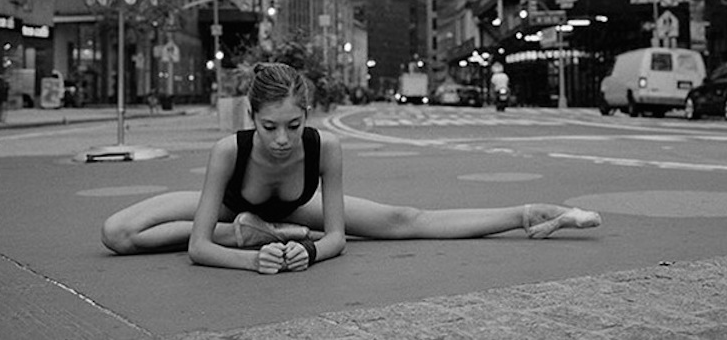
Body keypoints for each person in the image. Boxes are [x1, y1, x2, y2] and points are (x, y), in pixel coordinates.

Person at [101, 63, 602, 274]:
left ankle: (527, 213)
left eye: (294, 125)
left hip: (299, 214)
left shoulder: (327, 148)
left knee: (405, 219)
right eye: (270, 126)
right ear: (251, 118)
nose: (281, 139)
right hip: (234, 212)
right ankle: (253, 233)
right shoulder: (228, 151)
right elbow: (198, 246)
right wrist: (251, 258)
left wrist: (309, 252)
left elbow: (338, 237)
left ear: (307, 117)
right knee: (118, 232)